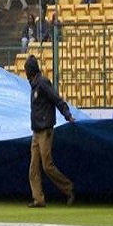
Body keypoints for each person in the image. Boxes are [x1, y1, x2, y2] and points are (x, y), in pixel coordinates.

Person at [23, 55, 75, 208]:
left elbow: (56, 99)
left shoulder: (43, 83)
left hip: (45, 131)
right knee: (33, 168)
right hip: (36, 132)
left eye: (26, 70)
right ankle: (38, 199)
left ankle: (69, 188)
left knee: (47, 166)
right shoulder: (34, 86)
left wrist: (67, 114)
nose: (25, 74)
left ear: (30, 71)